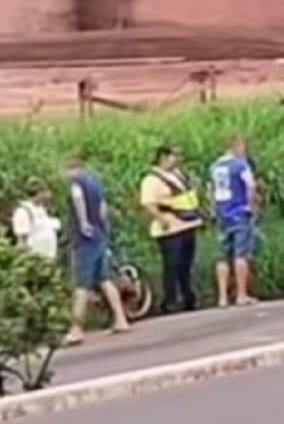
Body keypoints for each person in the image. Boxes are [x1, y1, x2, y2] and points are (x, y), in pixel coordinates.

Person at [65, 156, 130, 345]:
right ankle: (121, 319)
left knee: (81, 285)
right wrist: (103, 227)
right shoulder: (95, 182)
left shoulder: (77, 183)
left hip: (85, 239)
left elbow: (77, 199)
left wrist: (84, 222)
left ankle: (76, 329)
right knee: (105, 280)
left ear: (73, 168)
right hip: (100, 235)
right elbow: (103, 208)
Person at [140, 146, 202, 313]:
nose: (176, 160)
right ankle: (170, 300)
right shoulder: (152, 180)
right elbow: (148, 203)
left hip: (187, 223)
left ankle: (188, 296)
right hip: (169, 228)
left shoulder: (178, 175)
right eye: (173, 157)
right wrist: (161, 219)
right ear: (163, 158)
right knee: (172, 265)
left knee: (186, 265)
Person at [210, 136, 258, 308]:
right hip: (240, 212)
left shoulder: (215, 166)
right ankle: (241, 294)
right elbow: (251, 186)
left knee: (222, 256)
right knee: (240, 254)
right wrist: (252, 207)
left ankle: (222, 297)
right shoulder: (241, 165)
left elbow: (211, 191)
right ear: (237, 147)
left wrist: (214, 210)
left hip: (222, 214)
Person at [11, 180, 61, 263]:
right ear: (39, 193)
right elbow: (22, 239)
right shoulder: (23, 211)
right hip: (35, 259)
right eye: (45, 192)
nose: (49, 195)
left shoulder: (40, 209)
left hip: (48, 256)